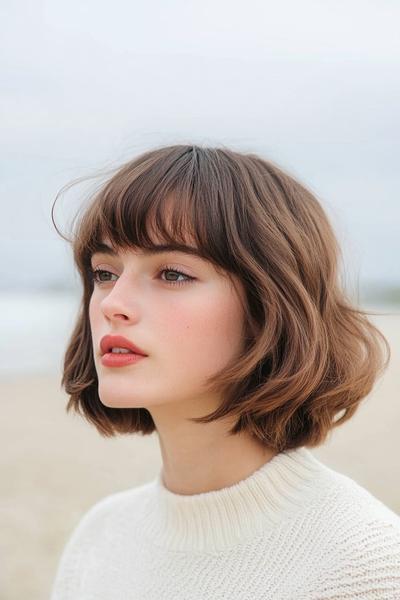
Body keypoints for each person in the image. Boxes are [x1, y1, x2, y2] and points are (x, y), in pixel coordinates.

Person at [50, 144, 400, 599]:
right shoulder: (100, 536)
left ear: (268, 307)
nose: (113, 303)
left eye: (172, 274)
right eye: (105, 272)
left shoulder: (364, 567)